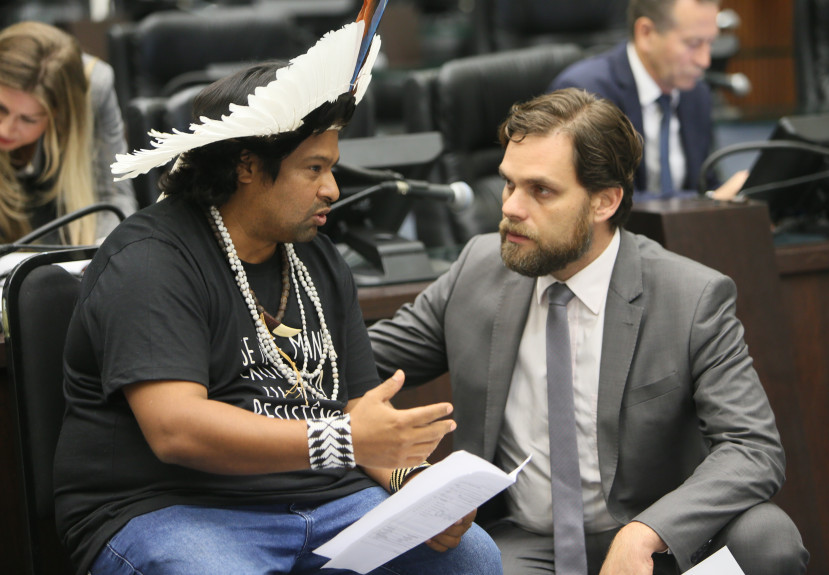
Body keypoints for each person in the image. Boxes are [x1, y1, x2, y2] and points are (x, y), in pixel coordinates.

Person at [54, 10, 501, 575]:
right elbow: (176, 430)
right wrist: (342, 440)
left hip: (323, 499)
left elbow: (359, 410)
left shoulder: (314, 254)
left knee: (471, 558)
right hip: (174, 507)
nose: (332, 189)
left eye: (332, 168)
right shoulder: (150, 258)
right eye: (314, 168)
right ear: (247, 165)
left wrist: (418, 489)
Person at [368, 88, 808, 575]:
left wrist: (649, 531)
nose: (512, 207)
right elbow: (353, 362)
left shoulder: (691, 297)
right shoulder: (478, 269)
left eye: (541, 190)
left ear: (604, 201)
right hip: (527, 541)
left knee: (766, 538)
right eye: (509, 185)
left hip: (655, 541)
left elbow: (752, 448)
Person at [548, 0, 747, 200]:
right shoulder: (588, 95)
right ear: (646, 33)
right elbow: (600, 200)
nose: (705, 61)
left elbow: (705, 182)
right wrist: (708, 204)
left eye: (710, 43)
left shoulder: (696, 93)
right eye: (693, 44)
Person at [0, 21, 137, 245]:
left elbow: (112, 197)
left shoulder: (94, 88)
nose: (5, 128)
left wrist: (103, 258)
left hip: (62, 233)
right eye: (0, 109)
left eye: (27, 119)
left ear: (56, 114)